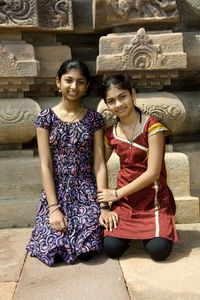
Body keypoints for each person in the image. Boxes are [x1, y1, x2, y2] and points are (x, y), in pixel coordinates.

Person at [26, 59, 113, 266]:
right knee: (52, 248)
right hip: (56, 192)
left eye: (80, 82)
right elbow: (45, 165)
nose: (74, 87)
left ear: (87, 86)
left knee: (88, 248)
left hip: (85, 191)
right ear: (58, 82)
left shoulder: (94, 119)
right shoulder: (45, 118)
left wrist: (104, 206)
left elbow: (100, 164)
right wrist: (53, 208)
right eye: (68, 80)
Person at [98, 74, 178, 261]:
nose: (118, 104)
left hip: (154, 200)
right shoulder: (111, 133)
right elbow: (100, 164)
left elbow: (153, 173)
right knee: (111, 248)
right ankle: (129, 235)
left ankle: (160, 227)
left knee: (158, 251)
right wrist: (104, 207)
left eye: (122, 97)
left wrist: (115, 193)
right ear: (107, 105)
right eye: (111, 101)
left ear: (132, 94)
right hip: (125, 203)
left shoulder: (152, 126)